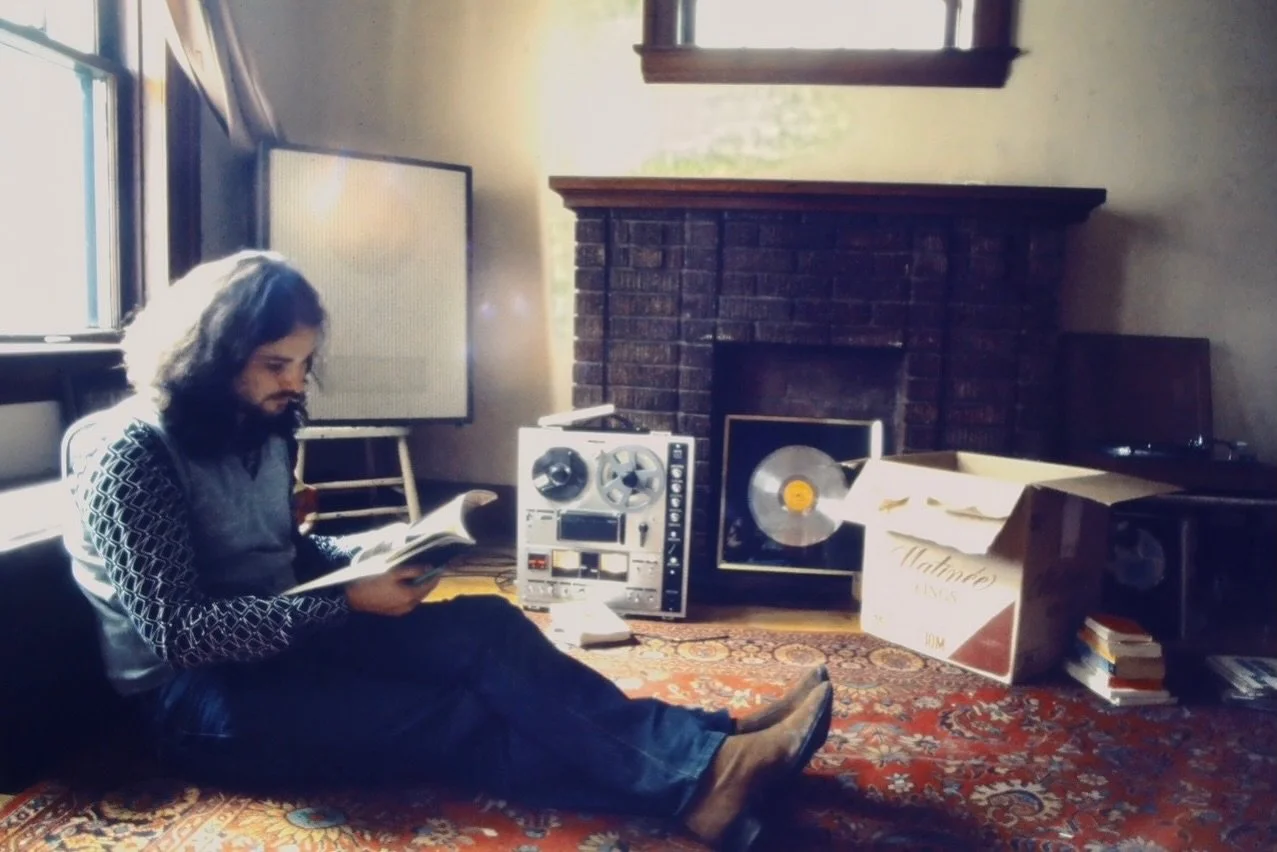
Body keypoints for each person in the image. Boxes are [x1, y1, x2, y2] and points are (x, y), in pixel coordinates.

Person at [62, 250, 834, 851]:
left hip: (287, 649)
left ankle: (700, 742)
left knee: (486, 632)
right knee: (454, 713)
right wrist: (347, 601)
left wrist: (383, 546)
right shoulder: (128, 455)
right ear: (208, 354)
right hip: (195, 704)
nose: (294, 384)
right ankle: (699, 782)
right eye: (274, 364)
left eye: (302, 363)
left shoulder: (257, 427)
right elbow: (181, 634)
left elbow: (283, 556)